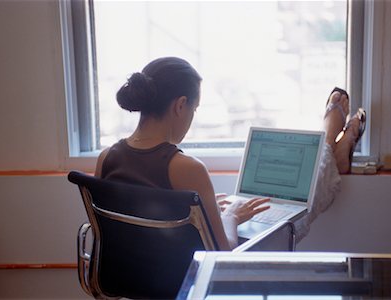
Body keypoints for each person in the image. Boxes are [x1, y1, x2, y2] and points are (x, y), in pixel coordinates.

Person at [95, 57, 365, 249]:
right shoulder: (186, 169)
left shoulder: (106, 158)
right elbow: (223, 253)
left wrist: (203, 212)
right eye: (194, 109)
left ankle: (330, 149)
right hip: (184, 280)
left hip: (129, 277)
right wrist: (231, 216)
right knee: (291, 223)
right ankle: (328, 143)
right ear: (180, 106)